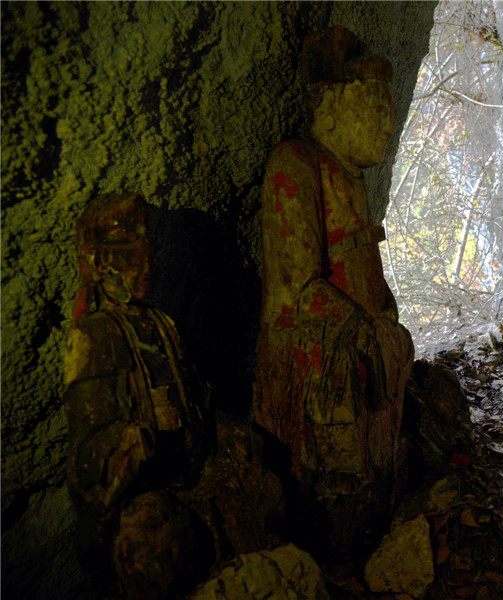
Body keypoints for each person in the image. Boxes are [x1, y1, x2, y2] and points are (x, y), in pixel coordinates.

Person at [65, 193, 284, 599]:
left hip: (191, 461)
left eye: (149, 250)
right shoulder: (96, 334)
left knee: (259, 481)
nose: (146, 266)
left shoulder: (161, 324)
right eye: (131, 253)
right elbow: (86, 447)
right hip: (145, 483)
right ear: (98, 260)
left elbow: (192, 397)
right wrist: (128, 443)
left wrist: (222, 432)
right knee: (158, 540)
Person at [253, 27, 414, 558]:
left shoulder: (350, 180)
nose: (388, 123)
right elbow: (301, 287)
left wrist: (385, 314)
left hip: (359, 339)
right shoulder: (294, 165)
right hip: (315, 350)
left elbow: (364, 268)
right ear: (333, 101)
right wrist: (368, 328)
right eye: (375, 104)